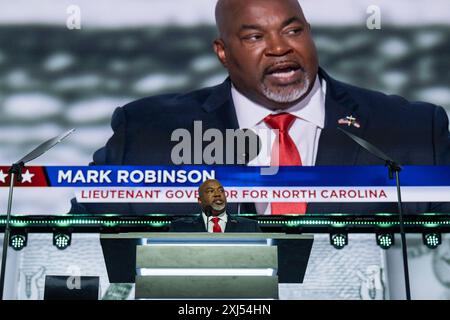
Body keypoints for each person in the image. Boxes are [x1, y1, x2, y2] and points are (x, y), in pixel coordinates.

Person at [70, 0, 450, 215]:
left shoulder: (413, 130)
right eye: (254, 36)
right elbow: (77, 247)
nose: (280, 47)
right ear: (223, 52)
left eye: (293, 30)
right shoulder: (147, 132)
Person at [170, 179, 261, 232]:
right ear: (200, 200)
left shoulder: (250, 226)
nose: (217, 194)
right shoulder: (179, 227)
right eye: (211, 191)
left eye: (221, 190)